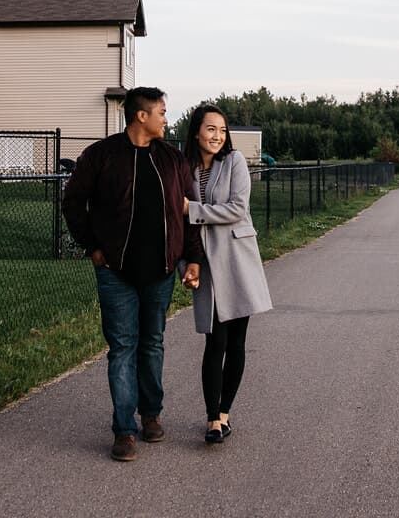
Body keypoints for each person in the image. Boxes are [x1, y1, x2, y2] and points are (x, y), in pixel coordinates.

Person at [61, 87, 202, 461]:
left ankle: (151, 415)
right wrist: (92, 247)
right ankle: (124, 431)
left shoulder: (172, 160)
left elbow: (188, 214)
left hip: (160, 271)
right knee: (122, 348)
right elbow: (73, 202)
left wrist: (192, 259)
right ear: (142, 116)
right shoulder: (101, 156)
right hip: (116, 272)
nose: (166, 119)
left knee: (152, 344)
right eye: (162, 112)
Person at [182, 105, 272, 444]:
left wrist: (194, 210)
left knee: (236, 341)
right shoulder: (185, 168)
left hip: (236, 259)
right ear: (196, 133)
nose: (217, 136)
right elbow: (179, 223)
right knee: (213, 341)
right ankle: (211, 419)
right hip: (206, 263)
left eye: (222, 130)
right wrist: (185, 265)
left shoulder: (234, 162)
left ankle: (224, 412)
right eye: (210, 129)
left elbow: (237, 208)